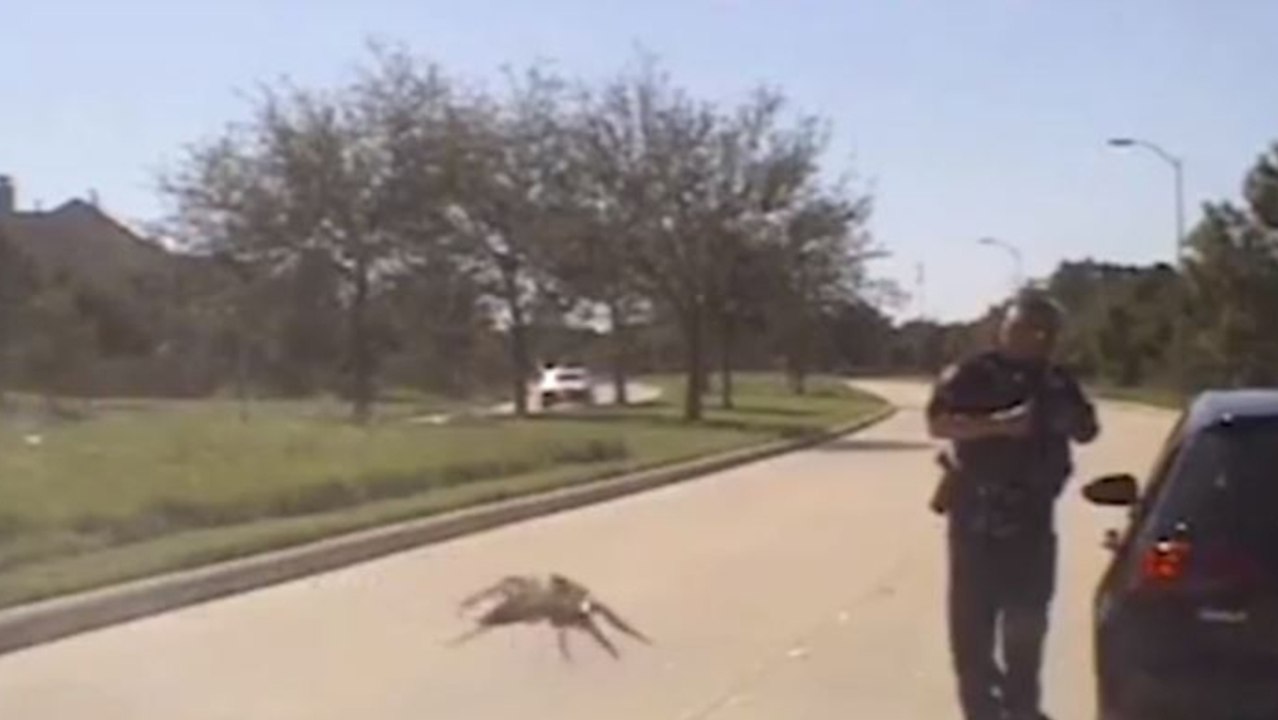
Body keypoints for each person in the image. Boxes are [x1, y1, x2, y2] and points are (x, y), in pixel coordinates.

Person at [925, 290, 1099, 720]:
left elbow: (1087, 430)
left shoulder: (1057, 381)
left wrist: (1066, 419)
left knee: (1027, 630)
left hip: (1033, 523)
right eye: (1020, 328)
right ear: (1004, 328)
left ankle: (1024, 708)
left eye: (1040, 331)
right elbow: (938, 422)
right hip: (976, 521)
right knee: (973, 633)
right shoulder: (972, 374)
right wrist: (996, 426)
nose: (1028, 338)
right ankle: (981, 708)